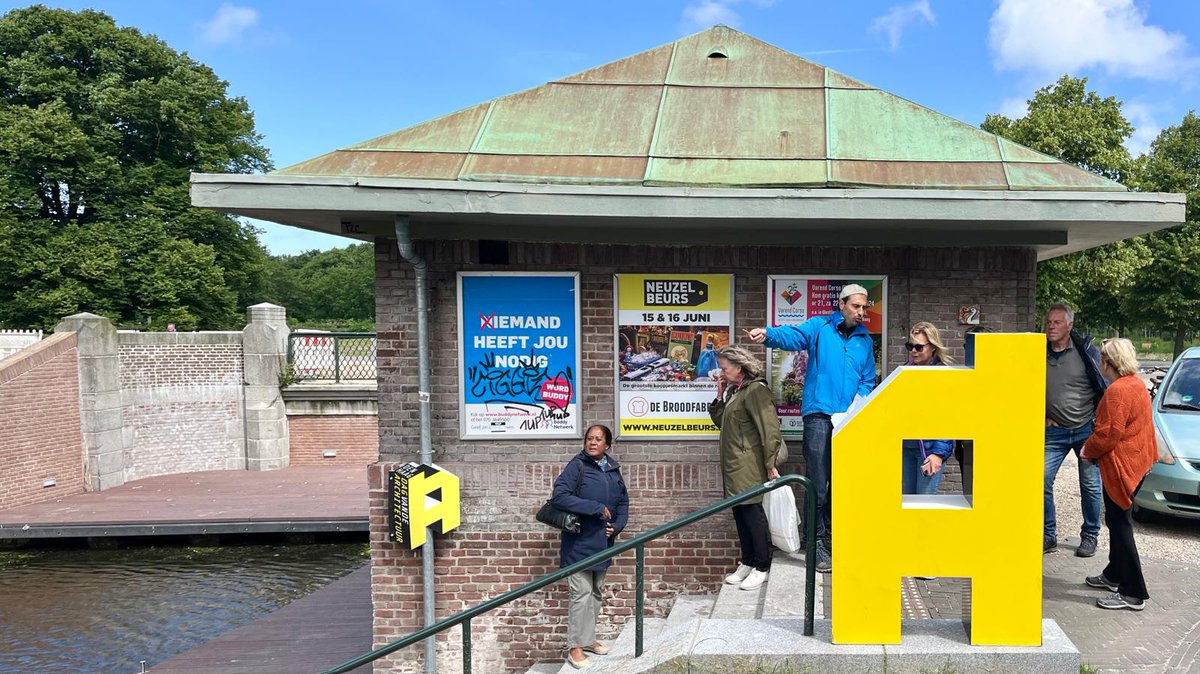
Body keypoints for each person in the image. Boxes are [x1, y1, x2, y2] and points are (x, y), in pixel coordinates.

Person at [747, 283, 876, 572]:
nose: (861, 312)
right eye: (856, 306)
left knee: (841, 483)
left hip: (848, 420)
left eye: (864, 307)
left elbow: (868, 378)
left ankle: (832, 538)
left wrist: (859, 402)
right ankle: (815, 543)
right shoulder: (820, 327)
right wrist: (768, 334)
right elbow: (793, 336)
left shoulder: (864, 340)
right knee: (817, 482)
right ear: (842, 304)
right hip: (819, 416)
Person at [1080, 338, 1156, 611]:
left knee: (1120, 525)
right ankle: (1114, 574)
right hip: (1138, 462)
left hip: (1122, 466)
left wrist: (1088, 450)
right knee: (1115, 520)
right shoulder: (1136, 383)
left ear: (1108, 362)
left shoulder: (1118, 391)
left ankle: (1133, 592)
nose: (1099, 362)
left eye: (1101, 358)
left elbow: (1108, 434)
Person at [551, 424, 629, 669]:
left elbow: (624, 501)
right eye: (589, 439)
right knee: (581, 595)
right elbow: (559, 496)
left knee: (595, 593)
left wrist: (617, 526)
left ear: (607, 445)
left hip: (604, 542)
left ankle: (588, 639)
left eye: (598, 439)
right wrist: (595, 508)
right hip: (579, 543)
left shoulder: (613, 469)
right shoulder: (578, 465)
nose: (593, 442)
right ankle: (575, 648)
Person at [708, 345, 783, 590]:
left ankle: (762, 565)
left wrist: (770, 464)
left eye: (725, 368)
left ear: (739, 368)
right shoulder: (736, 391)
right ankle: (748, 561)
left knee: (752, 514)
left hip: (748, 463)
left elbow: (769, 428)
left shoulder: (755, 391)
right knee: (740, 514)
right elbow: (721, 422)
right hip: (733, 465)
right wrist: (719, 394)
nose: (721, 373)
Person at [1043, 302, 1106, 557]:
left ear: (1069, 325)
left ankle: (1090, 535)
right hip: (1053, 432)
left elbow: (1104, 387)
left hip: (1085, 430)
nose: (1051, 327)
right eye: (1048, 322)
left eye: (1057, 322)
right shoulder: (1038, 353)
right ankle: (1048, 535)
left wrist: (1098, 423)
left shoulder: (1086, 352)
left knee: (1090, 485)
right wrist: (1041, 416)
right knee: (1040, 480)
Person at [902, 322, 954, 495]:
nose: (913, 351)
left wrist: (938, 453)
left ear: (932, 347)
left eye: (918, 347)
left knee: (923, 506)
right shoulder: (905, 372)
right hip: (906, 447)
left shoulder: (942, 375)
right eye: (910, 346)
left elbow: (949, 417)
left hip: (928, 450)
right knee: (905, 504)